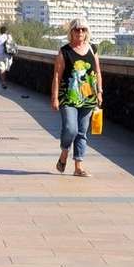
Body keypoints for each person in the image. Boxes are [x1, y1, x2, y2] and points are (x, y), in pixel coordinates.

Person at [50, 18, 104, 178]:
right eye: (76, 29)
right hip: (68, 97)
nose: (80, 32)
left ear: (87, 32)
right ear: (71, 32)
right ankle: (65, 151)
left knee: (82, 132)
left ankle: (78, 166)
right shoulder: (64, 51)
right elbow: (57, 76)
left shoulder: (92, 49)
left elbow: (98, 72)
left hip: (88, 97)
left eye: (83, 30)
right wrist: (54, 97)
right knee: (70, 128)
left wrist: (99, 91)